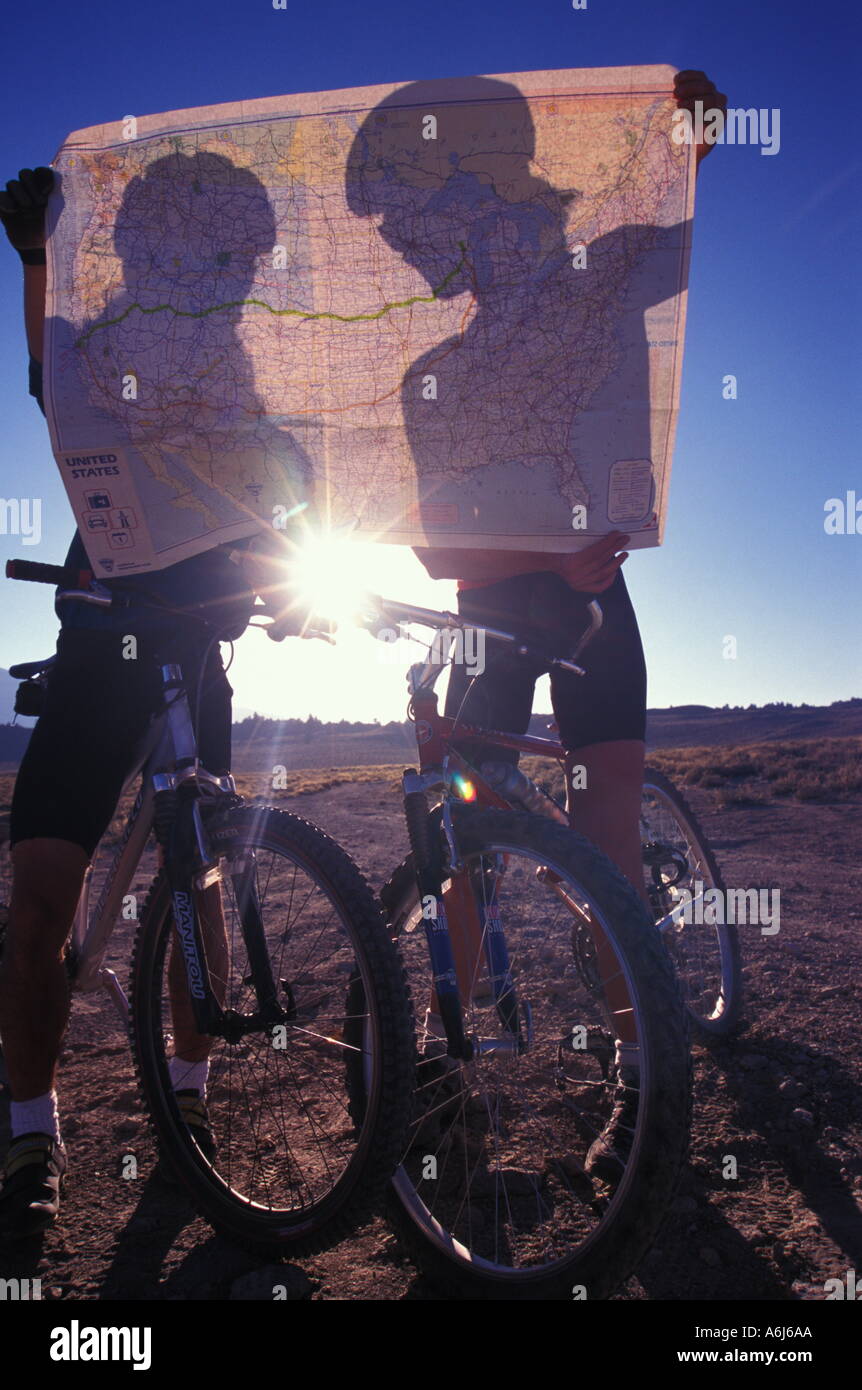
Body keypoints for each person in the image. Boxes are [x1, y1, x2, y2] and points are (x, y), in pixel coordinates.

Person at [0, 166, 283, 1237]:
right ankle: (31, 1128)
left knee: (199, 899)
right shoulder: (114, 346)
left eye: (230, 253)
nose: (216, 267)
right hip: (96, 654)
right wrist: (33, 254)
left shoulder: (249, 374)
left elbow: (287, 494)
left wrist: (297, 585)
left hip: (196, 656)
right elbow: (51, 381)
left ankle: (190, 1109)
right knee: (39, 912)